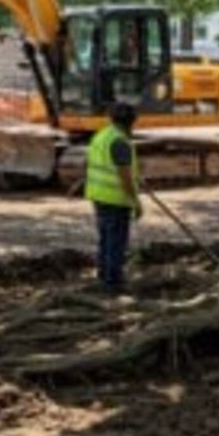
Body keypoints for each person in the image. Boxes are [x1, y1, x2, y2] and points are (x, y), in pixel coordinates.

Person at [86, 102, 142, 293]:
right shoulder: (120, 142)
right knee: (116, 243)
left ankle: (103, 276)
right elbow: (124, 176)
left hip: (99, 196)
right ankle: (113, 284)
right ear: (131, 122)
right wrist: (136, 202)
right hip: (115, 199)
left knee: (105, 239)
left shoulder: (102, 136)